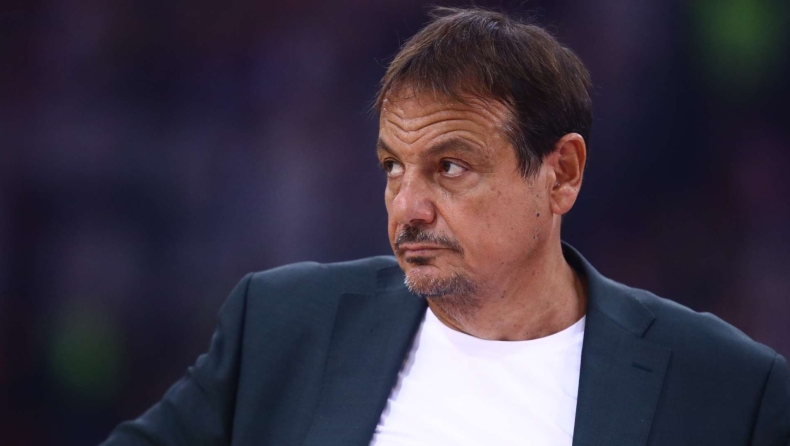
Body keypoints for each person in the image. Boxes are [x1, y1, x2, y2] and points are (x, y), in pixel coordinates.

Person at [101, 7, 790, 446]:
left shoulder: (725, 387)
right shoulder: (281, 326)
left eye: (450, 167)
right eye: (392, 167)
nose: (408, 208)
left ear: (561, 174)